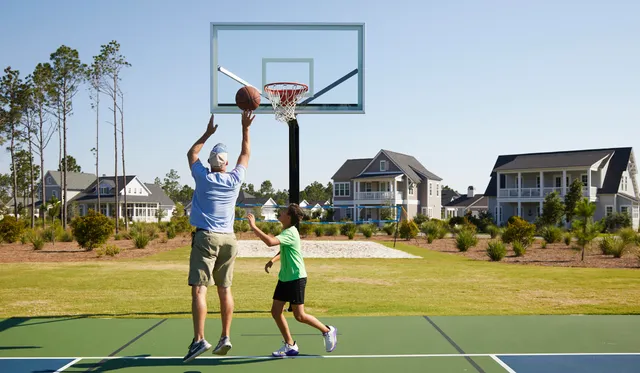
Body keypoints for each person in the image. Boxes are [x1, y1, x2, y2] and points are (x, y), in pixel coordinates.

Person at [183, 111, 254, 363]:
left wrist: (207, 133)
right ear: (225, 163)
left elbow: (192, 154)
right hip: (229, 240)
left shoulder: (203, 176)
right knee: (225, 289)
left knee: (200, 290)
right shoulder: (235, 179)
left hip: (207, 239)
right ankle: (225, 336)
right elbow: (245, 154)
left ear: (212, 162)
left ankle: (199, 339)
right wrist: (245, 127)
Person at [247, 204, 337, 357]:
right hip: (285, 278)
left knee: (299, 316)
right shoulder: (287, 232)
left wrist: (253, 226)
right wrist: (273, 260)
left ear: (288, 217)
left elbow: (270, 242)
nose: (280, 213)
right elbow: (284, 249)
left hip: (296, 278)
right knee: (276, 312)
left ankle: (327, 331)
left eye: (283, 212)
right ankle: (290, 345)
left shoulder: (290, 232)